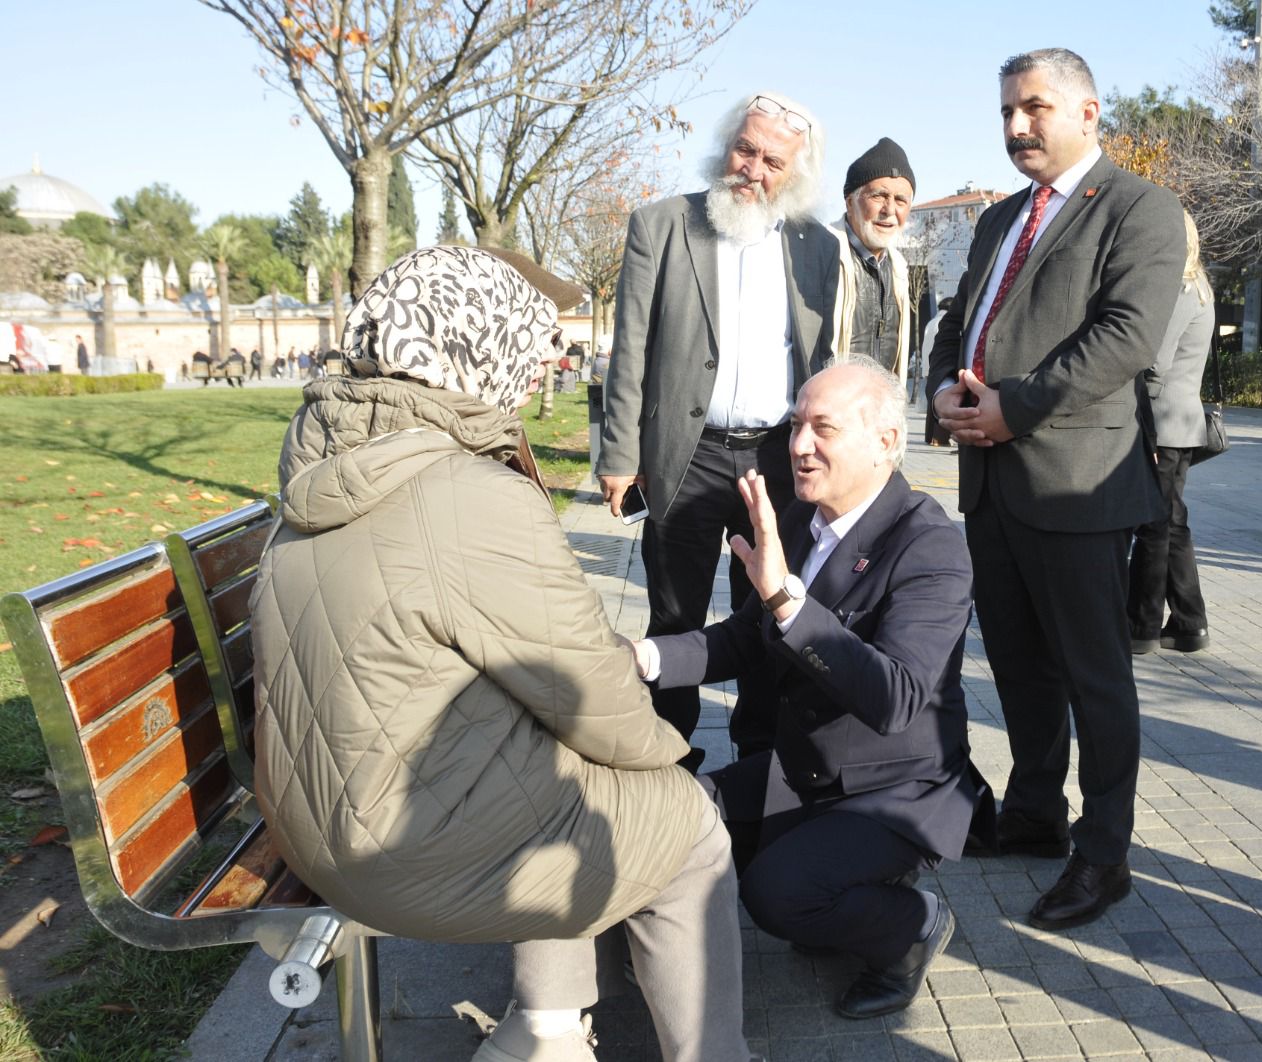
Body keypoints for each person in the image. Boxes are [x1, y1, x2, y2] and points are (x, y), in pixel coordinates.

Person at [250, 246, 752, 1062]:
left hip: (316, 825)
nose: (542, 366)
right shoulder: (470, 497)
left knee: (561, 768)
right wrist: (668, 759)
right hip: (399, 848)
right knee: (685, 825)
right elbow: (589, 688)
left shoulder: (324, 464)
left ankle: (545, 1031)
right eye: (531, 344)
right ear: (477, 348)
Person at [928, 48, 1183, 929]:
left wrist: (1014, 409)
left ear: (1088, 111)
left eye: (1034, 107)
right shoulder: (999, 219)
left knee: (1094, 678)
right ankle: (1036, 815)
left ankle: (1104, 853)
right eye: (1006, 111)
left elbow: (1126, 336)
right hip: (992, 482)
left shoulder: (1142, 209)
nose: (1015, 126)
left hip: (1077, 483)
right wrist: (941, 391)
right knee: (1019, 667)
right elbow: (960, 318)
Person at [636, 359, 976, 1020]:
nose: (798, 445)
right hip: (807, 768)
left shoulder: (930, 545)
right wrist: (638, 657)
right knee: (677, 819)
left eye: (822, 427)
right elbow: (738, 639)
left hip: (894, 787)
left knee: (777, 897)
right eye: (795, 425)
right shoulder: (799, 521)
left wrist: (790, 606)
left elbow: (897, 697)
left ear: (884, 442)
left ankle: (913, 926)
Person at [598, 90, 840, 752]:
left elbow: (818, 358)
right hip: (685, 453)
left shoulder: (817, 247)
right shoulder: (663, 224)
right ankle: (667, 755)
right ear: (726, 146)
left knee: (769, 610)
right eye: (745, 148)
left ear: (796, 174)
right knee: (675, 613)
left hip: (774, 461)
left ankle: (758, 754)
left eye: (772, 160)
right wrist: (619, 453)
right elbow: (631, 350)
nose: (753, 169)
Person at [1129, 212, 1214, 656]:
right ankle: (1188, 622)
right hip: (1179, 423)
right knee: (1171, 523)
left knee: (1154, 526)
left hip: (1165, 423)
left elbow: (1155, 359)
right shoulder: (1199, 286)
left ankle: (1141, 625)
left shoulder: (1181, 290)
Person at [830, 138, 914, 380]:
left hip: (879, 411)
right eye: (879, 196)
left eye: (900, 200)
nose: (889, 210)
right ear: (849, 201)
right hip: (829, 410)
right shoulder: (822, 254)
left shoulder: (899, 268)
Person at [921, 298, 955, 446]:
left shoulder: (931, 322)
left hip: (928, 366)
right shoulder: (945, 322)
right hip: (939, 365)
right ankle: (938, 438)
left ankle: (930, 436)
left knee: (931, 406)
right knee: (941, 403)